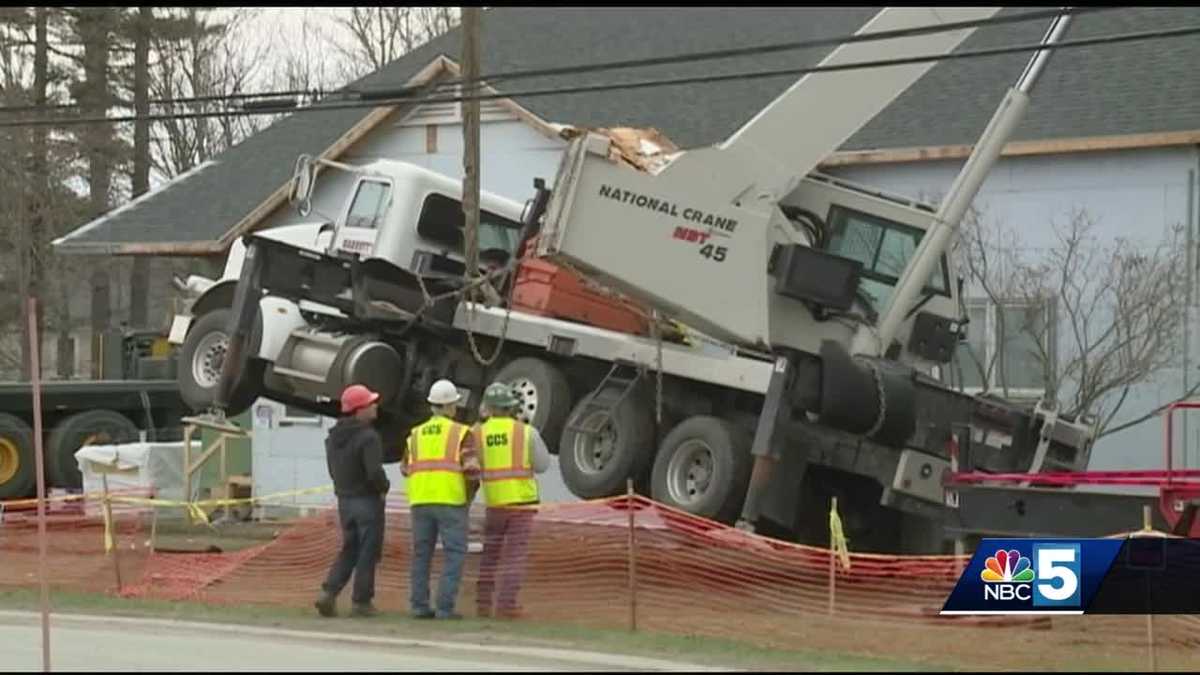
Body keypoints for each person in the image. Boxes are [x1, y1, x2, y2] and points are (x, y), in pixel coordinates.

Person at [471, 382, 551, 620]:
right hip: (522, 504)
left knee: (490, 554)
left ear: (488, 407)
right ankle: (506, 606)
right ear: (511, 407)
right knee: (514, 556)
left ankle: (483, 604)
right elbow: (542, 465)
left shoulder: (477, 434)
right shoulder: (526, 432)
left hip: (494, 503)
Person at [402, 378, 480, 620]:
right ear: (448, 406)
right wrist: (468, 497)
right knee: (454, 554)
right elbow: (472, 470)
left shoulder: (415, 435)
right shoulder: (462, 433)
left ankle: (419, 606)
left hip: (420, 501)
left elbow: (405, 468)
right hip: (451, 501)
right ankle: (445, 608)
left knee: (421, 555)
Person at [314, 384, 390, 618]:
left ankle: (329, 592)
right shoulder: (369, 437)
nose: (375, 406)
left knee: (350, 549)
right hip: (367, 500)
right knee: (368, 551)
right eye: (370, 403)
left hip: (345, 500)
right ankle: (361, 601)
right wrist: (383, 487)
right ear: (359, 410)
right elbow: (374, 472)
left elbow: (332, 470)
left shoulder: (333, 437)